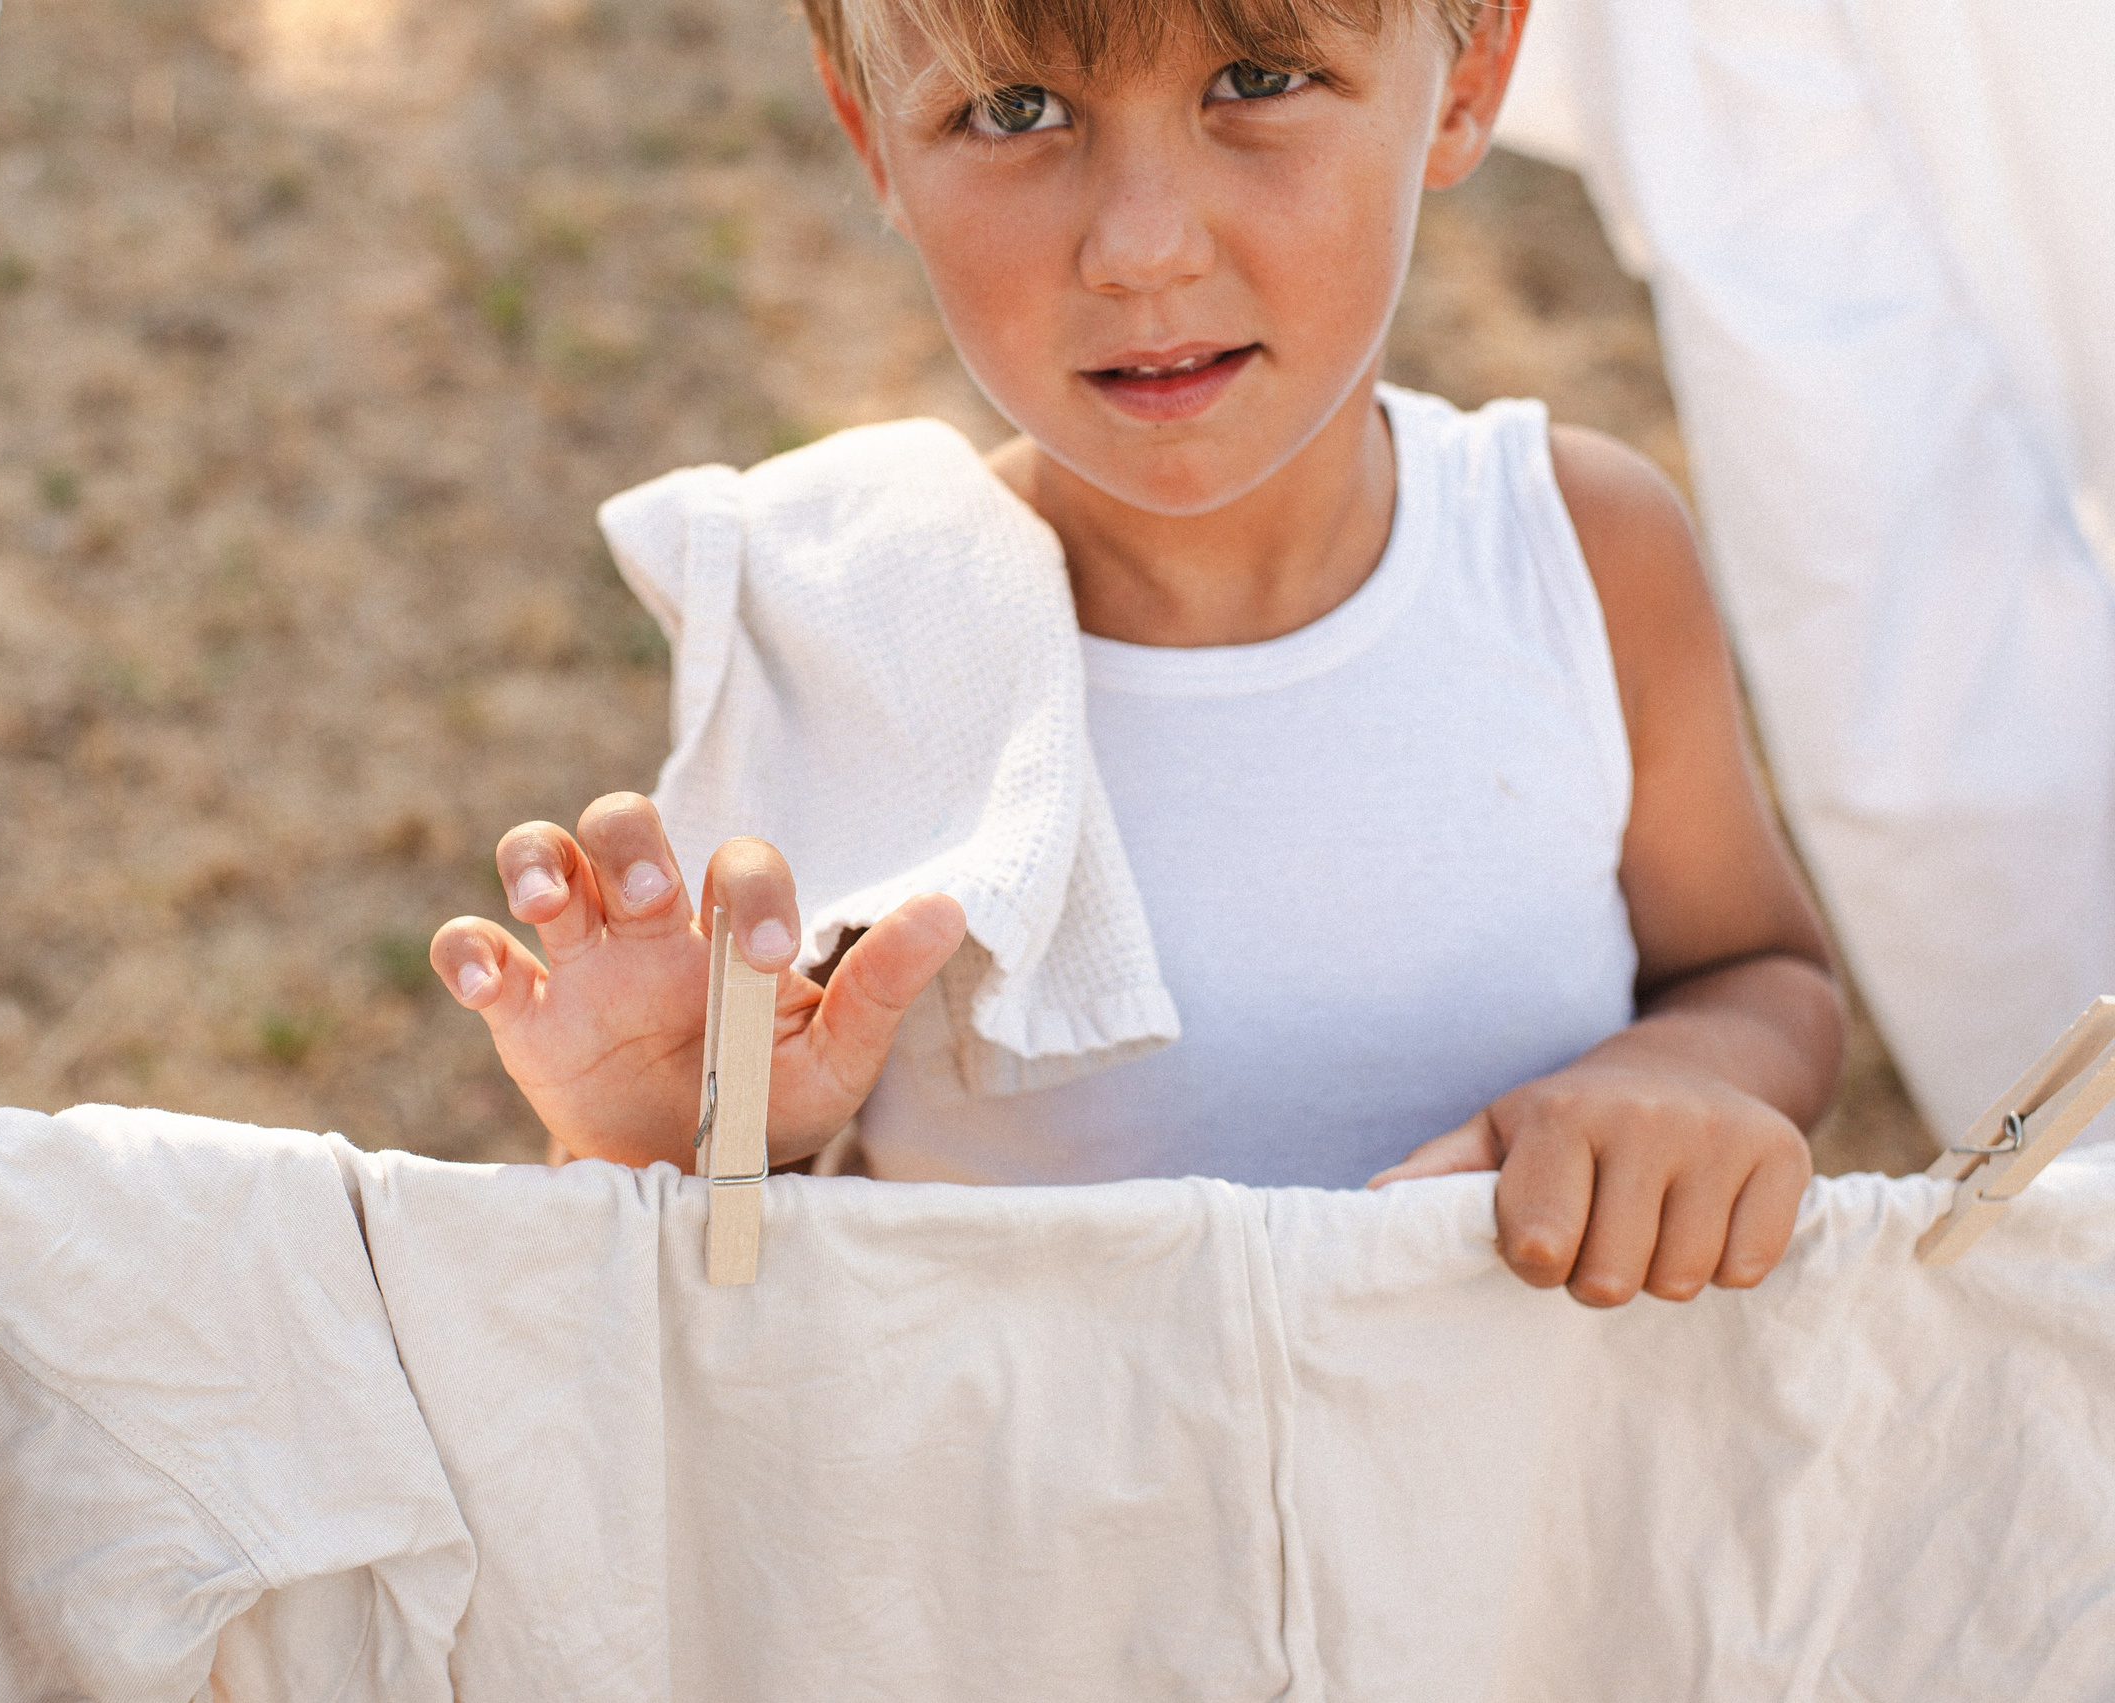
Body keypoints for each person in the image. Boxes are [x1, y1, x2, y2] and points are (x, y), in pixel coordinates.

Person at [427, 0, 1845, 1307]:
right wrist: (663, 1137)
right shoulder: (842, 625)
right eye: (1012, 112)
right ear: (873, 137)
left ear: (1469, 74)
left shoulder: (1575, 553)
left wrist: (1682, 1076)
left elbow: (1764, 979)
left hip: (1515, 1547)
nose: (1141, 244)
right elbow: (715, 1302)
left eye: (1260, 80)